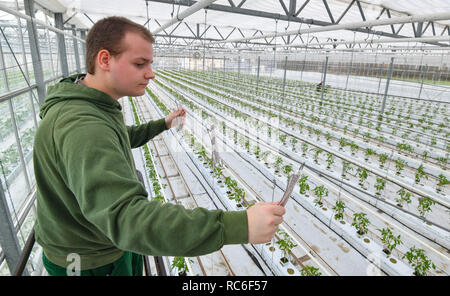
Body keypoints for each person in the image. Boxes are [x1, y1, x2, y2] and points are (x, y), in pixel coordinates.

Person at [32, 16, 286, 276]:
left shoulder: (93, 107)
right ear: (105, 60)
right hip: (88, 262)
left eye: (150, 63)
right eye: (140, 63)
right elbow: (127, 218)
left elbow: (119, 137)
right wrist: (238, 225)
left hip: (103, 244)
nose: (150, 73)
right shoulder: (82, 126)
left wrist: (163, 124)